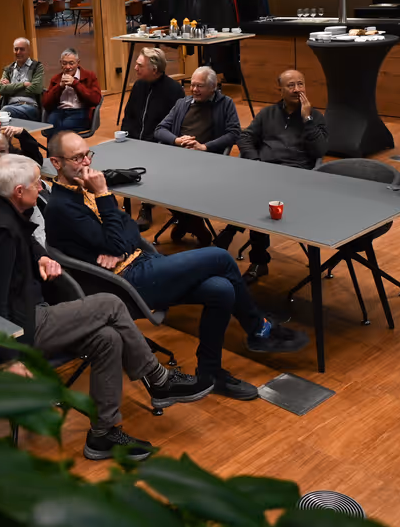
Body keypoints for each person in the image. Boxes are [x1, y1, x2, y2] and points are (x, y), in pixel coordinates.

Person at [0, 154, 210, 462]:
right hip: (22, 327)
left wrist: (40, 255)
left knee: (108, 338)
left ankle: (103, 435)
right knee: (110, 303)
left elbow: (26, 240)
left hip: (30, 310)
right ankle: (159, 380)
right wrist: (9, 358)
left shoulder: (2, 209)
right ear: (18, 191)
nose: (41, 186)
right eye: (35, 183)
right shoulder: (1, 231)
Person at [45, 132, 308, 403]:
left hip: (142, 262)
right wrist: (103, 196)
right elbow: (116, 238)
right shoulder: (63, 206)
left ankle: (211, 373)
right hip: (125, 282)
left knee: (221, 289)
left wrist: (117, 241)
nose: (87, 163)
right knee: (220, 257)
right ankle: (258, 329)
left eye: (88, 154)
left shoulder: (83, 189)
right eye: (77, 158)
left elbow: (131, 228)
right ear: (56, 162)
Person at [216, 69, 328, 282]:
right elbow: (245, 137)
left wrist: (307, 119)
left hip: (296, 177)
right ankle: (245, 246)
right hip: (264, 171)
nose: (297, 89)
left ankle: (254, 256)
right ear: (280, 89)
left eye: (300, 84)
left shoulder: (315, 116)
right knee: (243, 188)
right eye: (291, 85)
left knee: (259, 198)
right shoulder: (268, 113)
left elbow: (320, 150)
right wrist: (255, 161)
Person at [153, 66, 241, 245]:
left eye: (199, 86)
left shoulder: (226, 104)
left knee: (183, 185)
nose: (194, 90)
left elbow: (234, 133)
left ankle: (188, 223)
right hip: (177, 157)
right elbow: (159, 129)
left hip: (208, 160)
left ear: (213, 87)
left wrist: (204, 147)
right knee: (155, 184)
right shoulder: (182, 104)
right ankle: (193, 224)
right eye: (192, 85)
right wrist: (177, 140)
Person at [119, 47, 185, 230]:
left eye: (140, 65)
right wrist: (125, 135)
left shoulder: (174, 90)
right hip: (133, 141)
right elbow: (129, 114)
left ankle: (146, 207)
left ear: (154, 69)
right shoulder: (139, 85)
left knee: (149, 164)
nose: (135, 68)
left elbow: (176, 126)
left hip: (159, 146)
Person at [0, 130, 46, 249]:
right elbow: (14, 226)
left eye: (2, 151)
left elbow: (35, 162)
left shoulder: (12, 172)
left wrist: (23, 134)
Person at [41, 49, 101, 135]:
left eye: (71, 63)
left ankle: (63, 148)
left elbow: (95, 100)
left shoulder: (89, 76)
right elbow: (46, 103)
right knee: (50, 127)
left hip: (80, 111)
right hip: (59, 111)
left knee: (62, 129)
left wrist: (75, 84)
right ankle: (52, 149)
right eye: (64, 63)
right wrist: (59, 87)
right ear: (60, 63)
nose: (68, 67)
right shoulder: (56, 78)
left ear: (78, 62)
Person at [0, 38, 45, 121]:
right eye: (16, 49)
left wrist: (10, 87)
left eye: (22, 49)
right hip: (11, 105)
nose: (18, 52)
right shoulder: (9, 69)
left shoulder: (37, 67)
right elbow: (1, 89)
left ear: (29, 51)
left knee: (5, 112)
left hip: (30, 107)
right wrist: (24, 85)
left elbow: (37, 89)